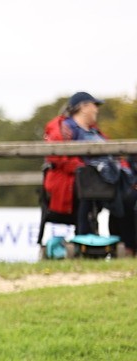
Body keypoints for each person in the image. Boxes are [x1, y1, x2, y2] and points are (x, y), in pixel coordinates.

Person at [43, 91, 136, 251]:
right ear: (83, 107)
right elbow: (58, 157)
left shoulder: (96, 132)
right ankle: (128, 245)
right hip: (77, 183)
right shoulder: (64, 127)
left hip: (105, 183)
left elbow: (115, 156)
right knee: (124, 197)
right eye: (94, 105)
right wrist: (87, 169)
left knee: (130, 195)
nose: (97, 110)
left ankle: (128, 244)